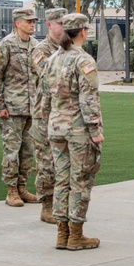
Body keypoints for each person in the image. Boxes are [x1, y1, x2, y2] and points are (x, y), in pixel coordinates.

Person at [42, 13, 105, 250]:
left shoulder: (53, 59)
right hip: (78, 129)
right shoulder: (83, 60)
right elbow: (89, 98)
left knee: (62, 180)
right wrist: (95, 129)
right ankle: (75, 235)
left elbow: (44, 96)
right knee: (80, 180)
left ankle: (62, 234)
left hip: (56, 127)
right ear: (83, 32)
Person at [0, 7, 39, 207]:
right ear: (17, 23)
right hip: (11, 107)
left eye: (34, 21)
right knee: (12, 150)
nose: (33, 24)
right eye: (28, 21)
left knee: (28, 150)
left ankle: (22, 187)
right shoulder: (6, 45)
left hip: (31, 107)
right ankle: (11, 191)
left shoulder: (36, 45)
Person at [30, 7, 67, 223]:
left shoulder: (69, 49)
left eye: (65, 23)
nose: (63, 27)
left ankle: (62, 204)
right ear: (49, 24)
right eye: (59, 23)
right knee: (46, 162)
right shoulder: (40, 50)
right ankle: (46, 205)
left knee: (63, 161)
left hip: (64, 114)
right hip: (45, 115)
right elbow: (50, 76)